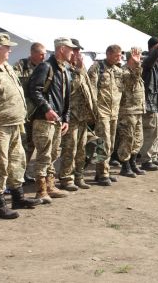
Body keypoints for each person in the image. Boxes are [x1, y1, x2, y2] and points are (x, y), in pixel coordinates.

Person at [0, 34, 42, 219]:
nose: (10, 50)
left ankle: (18, 197)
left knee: (17, 161)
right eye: (7, 47)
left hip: (14, 125)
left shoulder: (5, 67)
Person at [27, 37, 76, 203]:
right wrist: (46, 109)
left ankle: (50, 186)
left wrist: (66, 118)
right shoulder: (45, 66)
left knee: (54, 154)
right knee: (44, 155)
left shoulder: (65, 70)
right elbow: (34, 90)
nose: (73, 52)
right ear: (61, 49)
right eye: (70, 49)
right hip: (44, 120)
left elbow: (66, 98)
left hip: (58, 121)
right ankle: (41, 190)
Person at [58, 39, 97, 191]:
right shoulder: (66, 69)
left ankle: (79, 176)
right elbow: (71, 89)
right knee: (70, 148)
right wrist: (80, 71)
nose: (77, 54)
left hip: (83, 116)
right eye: (74, 50)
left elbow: (89, 89)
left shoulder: (78, 68)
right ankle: (66, 178)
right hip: (71, 116)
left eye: (78, 51)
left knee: (82, 148)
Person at [88, 44, 124, 186]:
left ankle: (101, 171)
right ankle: (103, 173)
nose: (118, 58)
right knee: (103, 143)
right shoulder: (97, 68)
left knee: (111, 143)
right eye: (116, 56)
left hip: (114, 112)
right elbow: (91, 89)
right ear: (108, 54)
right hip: (101, 111)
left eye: (120, 56)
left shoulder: (118, 70)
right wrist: (94, 110)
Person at [12, 42, 46, 183]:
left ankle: (24, 172)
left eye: (45, 54)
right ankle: (16, 175)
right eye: (41, 54)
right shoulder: (20, 66)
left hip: (37, 112)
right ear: (33, 53)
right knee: (20, 145)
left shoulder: (44, 67)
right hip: (24, 112)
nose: (44, 57)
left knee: (31, 144)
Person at [138, 33, 158, 171]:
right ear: (152, 48)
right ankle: (146, 159)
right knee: (150, 132)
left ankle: (154, 157)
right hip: (150, 103)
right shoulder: (146, 61)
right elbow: (150, 61)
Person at [116, 47, 146, 178]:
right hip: (127, 111)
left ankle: (133, 163)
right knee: (127, 139)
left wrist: (137, 65)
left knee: (138, 139)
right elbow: (132, 80)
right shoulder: (124, 71)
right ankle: (125, 165)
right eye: (136, 57)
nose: (139, 60)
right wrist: (137, 64)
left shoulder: (135, 71)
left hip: (138, 110)